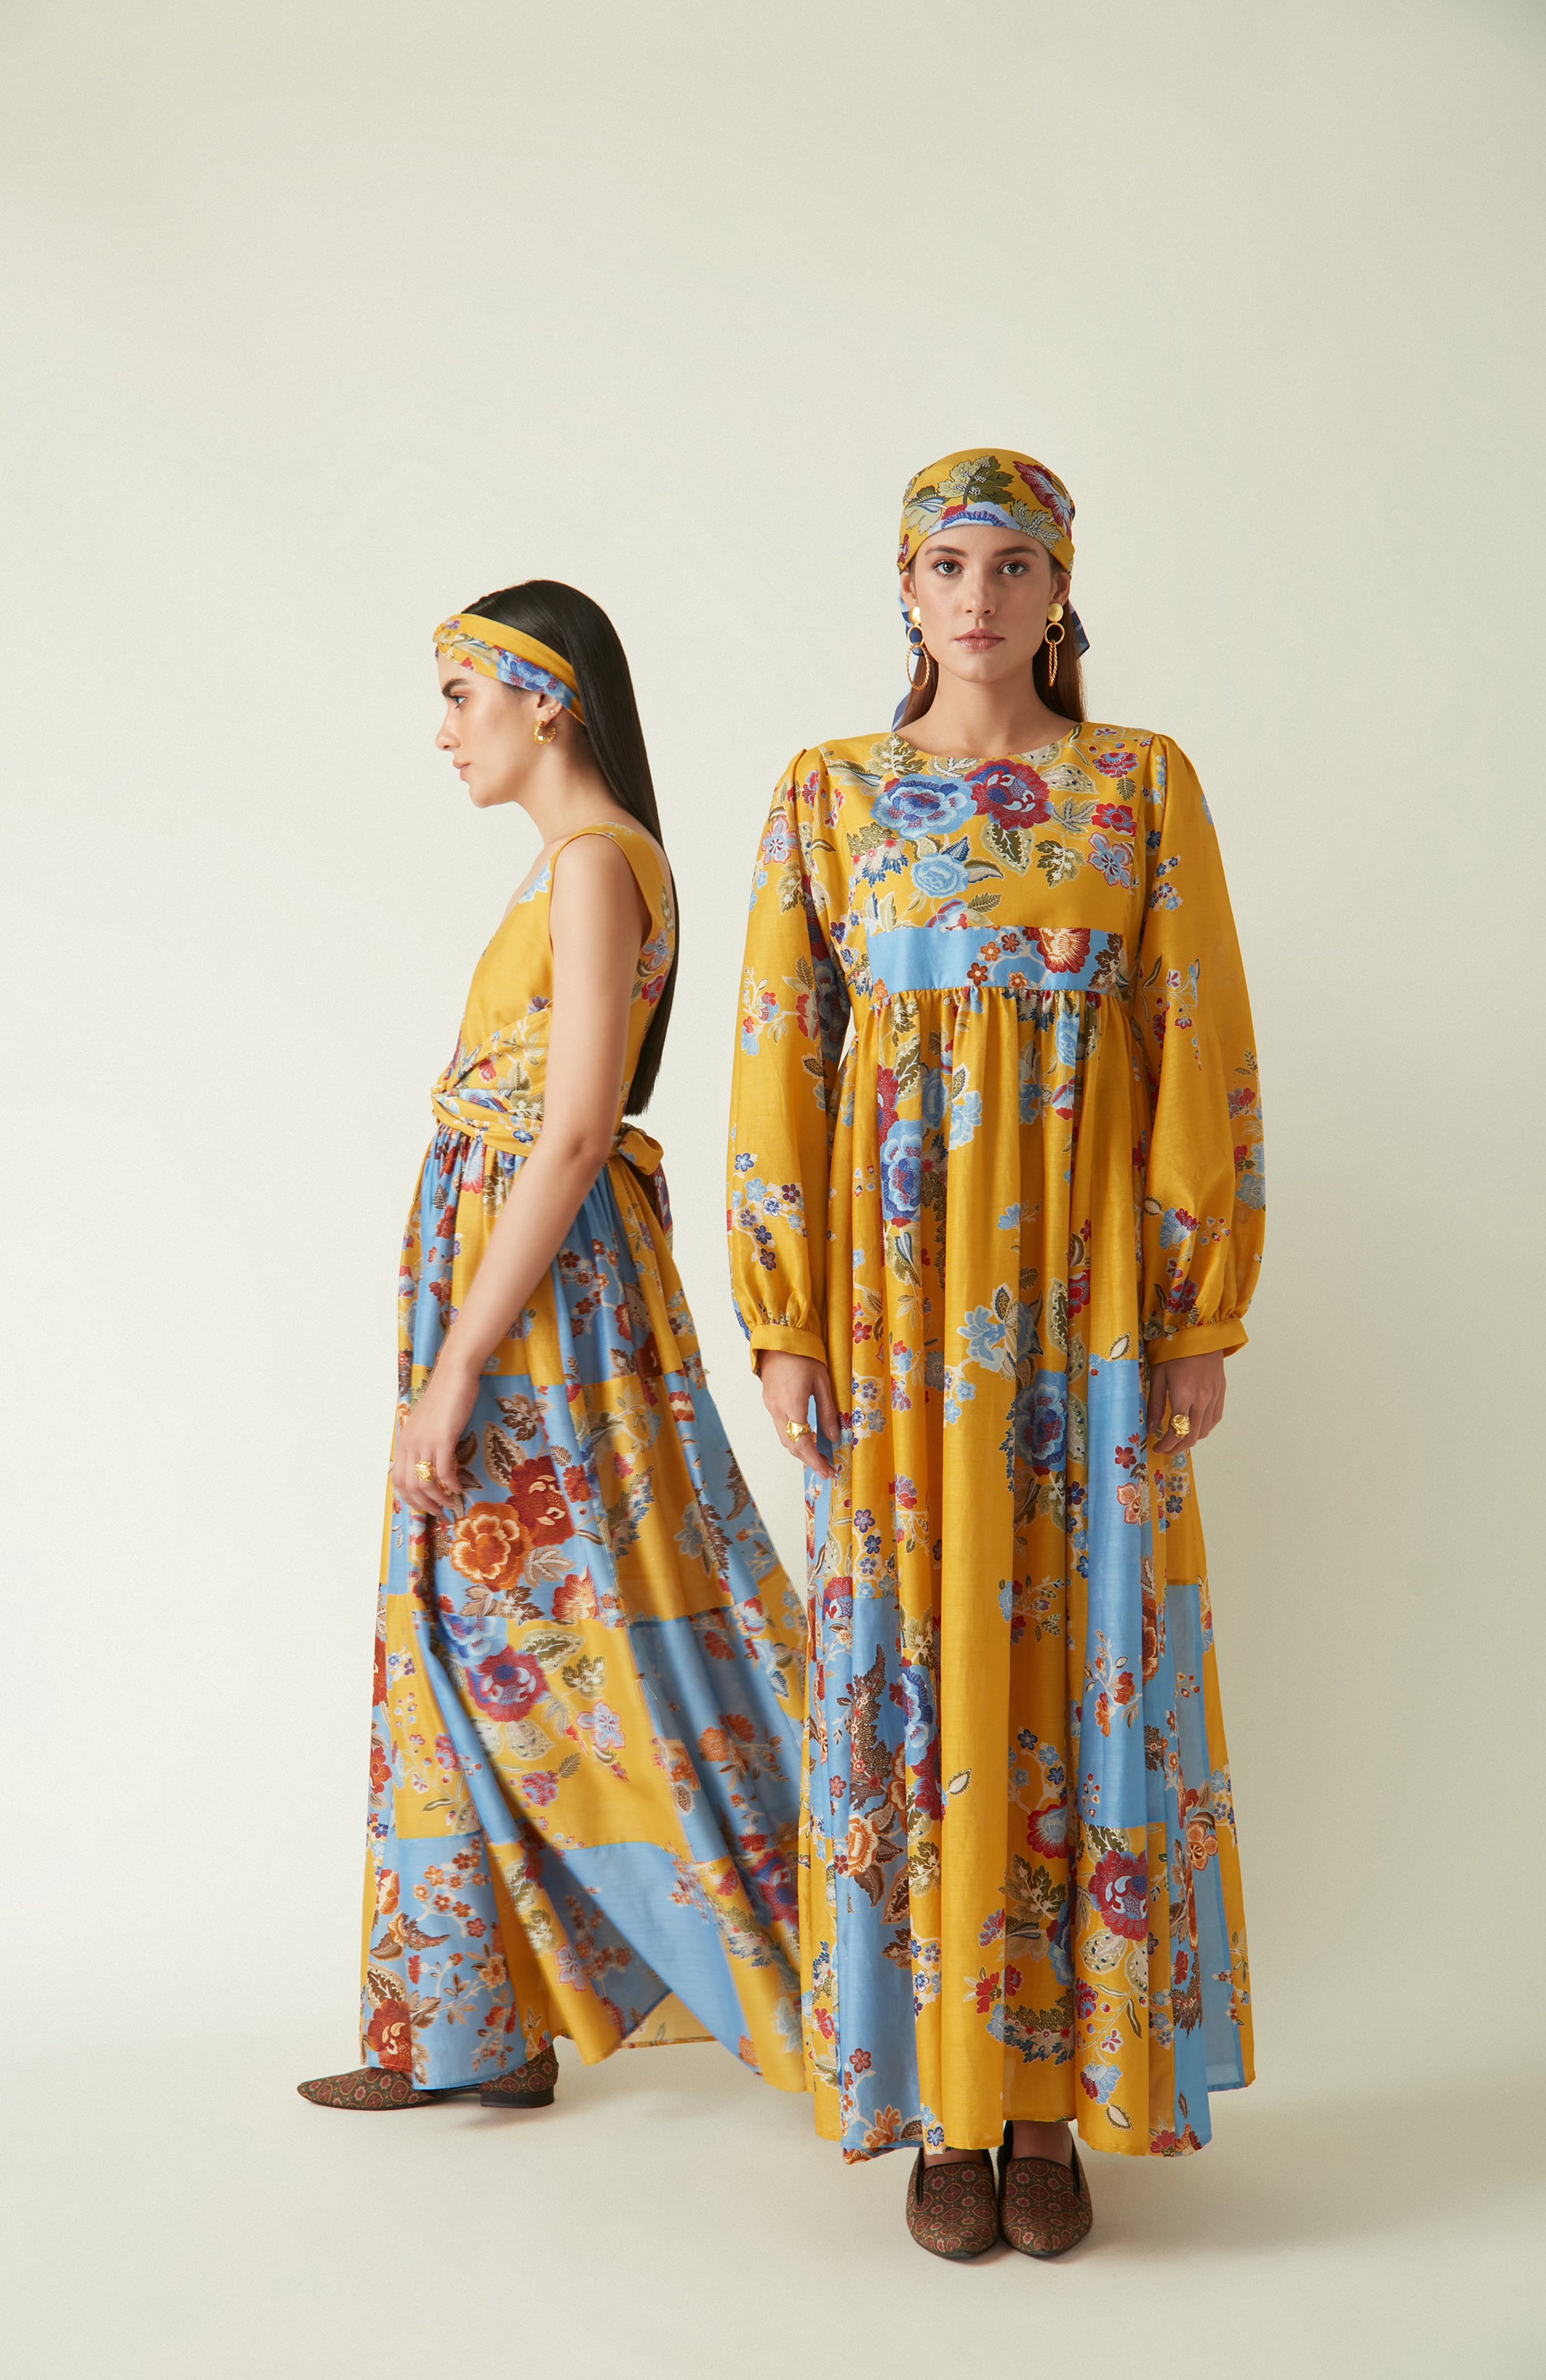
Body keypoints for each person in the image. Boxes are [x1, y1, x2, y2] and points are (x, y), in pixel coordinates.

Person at [727, 449, 1263, 2258]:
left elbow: (1194, 1034)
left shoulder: (1139, 786)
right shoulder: (829, 795)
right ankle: (946, 2108)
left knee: (1082, 1657)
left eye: (1013, 566)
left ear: (1059, 591)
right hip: (897, 1315)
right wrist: (785, 1317)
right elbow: (779, 1056)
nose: (979, 598)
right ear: (905, 587)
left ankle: (1054, 2108)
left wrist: (1196, 1306)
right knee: (916, 1661)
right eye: (947, 565)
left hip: (1093, 1310)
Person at [300, 582, 805, 2114]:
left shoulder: (594, 864)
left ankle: (846, 1978)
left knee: (608, 1628)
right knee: (472, 1624)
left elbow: (577, 1128)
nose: (445, 731)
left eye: (463, 695)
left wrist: (460, 1365)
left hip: (542, 1308)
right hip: (518, 1287)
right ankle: (479, 2021)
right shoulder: (572, 863)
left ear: (548, 700)